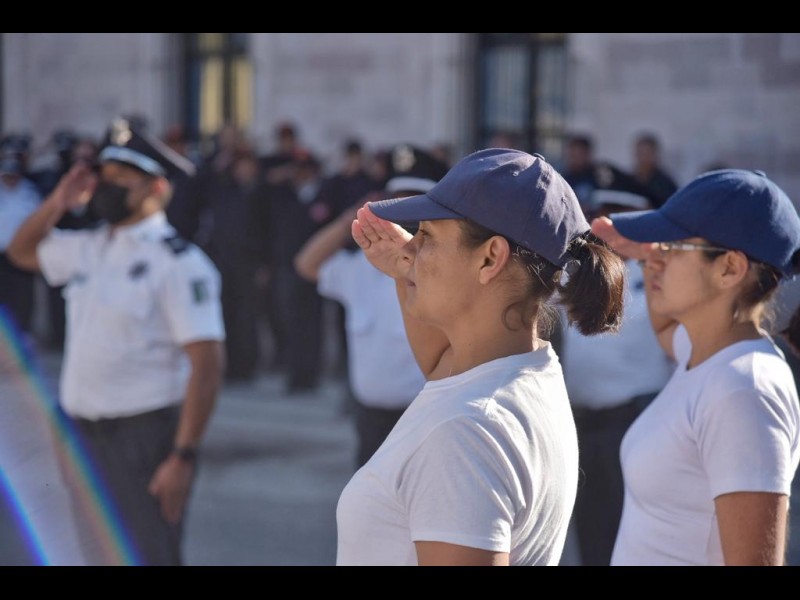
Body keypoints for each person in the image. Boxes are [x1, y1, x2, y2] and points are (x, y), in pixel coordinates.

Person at [336, 149, 627, 567]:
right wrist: (408, 272)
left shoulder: (465, 434)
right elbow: (441, 369)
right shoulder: (523, 368)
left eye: (427, 236)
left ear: (490, 258)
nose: (412, 248)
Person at [7, 118, 226, 567]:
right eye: (104, 176)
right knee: (92, 552)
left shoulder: (179, 263)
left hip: (143, 439)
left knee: (147, 554)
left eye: (121, 178)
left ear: (155, 188)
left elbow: (206, 365)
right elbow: (20, 252)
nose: (106, 186)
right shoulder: (88, 246)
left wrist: (183, 456)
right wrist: (58, 201)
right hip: (82, 434)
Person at [592, 169, 800, 567]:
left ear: (730, 268)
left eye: (671, 247)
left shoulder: (744, 390)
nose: (654, 260)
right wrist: (648, 254)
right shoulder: (708, 351)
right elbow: (664, 329)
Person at [295, 145, 448, 470]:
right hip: (369, 420)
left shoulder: (448, 272)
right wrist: (350, 221)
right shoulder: (362, 268)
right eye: (397, 203)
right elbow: (306, 265)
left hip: (425, 420)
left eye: (415, 204)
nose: (405, 217)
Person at [560, 183, 675, 567]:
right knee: (591, 532)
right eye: (600, 218)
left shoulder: (657, 278)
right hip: (584, 423)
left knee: (638, 535)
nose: (605, 230)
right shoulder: (580, 276)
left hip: (637, 419)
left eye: (615, 220)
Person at [0, 154, 43, 335]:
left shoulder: (30, 193)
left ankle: (23, 332)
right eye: (6, 175)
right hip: (1, 255)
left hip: (22, 253)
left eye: (13, 175)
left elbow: (38, 223)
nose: (10, 179)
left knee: (23, 297)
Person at [633, 133, 679, 209]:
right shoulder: (630, 180)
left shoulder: (666, 184)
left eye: (647, 153)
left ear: (655, 155)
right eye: (640, 153)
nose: (643, 158)